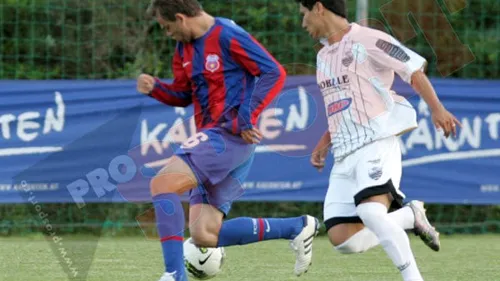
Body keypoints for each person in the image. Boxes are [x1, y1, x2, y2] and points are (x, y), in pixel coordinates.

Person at [137, 1, 319, 280]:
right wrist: (156, 89)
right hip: (217, 139)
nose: (167, 33)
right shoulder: (183, 48)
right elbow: (183, 94)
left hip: (227, 137)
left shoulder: (226, 35)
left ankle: (174, 274)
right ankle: (296, 226)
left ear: (181, 18)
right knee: (205, 234)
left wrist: (246, 116)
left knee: (163, 184)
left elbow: (273, 72)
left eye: (167, 27)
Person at [295, 0, 462, 280]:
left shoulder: (368, 38)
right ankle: (409, 216)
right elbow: (338, 105)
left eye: (304, 14)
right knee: (343, 239)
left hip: (376, 140)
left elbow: (413, 70)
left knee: (371, 212)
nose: (303, 23)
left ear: (319, 8)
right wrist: (325, 141)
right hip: (345, 153)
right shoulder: (323, 56)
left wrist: (437, 108)